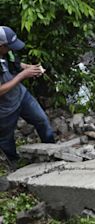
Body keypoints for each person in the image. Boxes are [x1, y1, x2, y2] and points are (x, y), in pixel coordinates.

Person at [0, 26, 55, 169]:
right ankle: (15, 164)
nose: (12, 49)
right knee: (6, 139)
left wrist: (30, 68)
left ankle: (53, 151)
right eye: (9, 46)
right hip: (4, 108)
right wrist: (22, 76)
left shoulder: (7, 53)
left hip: (22, 96)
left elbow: (16, 64)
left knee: (42, 120)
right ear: (1, 46)